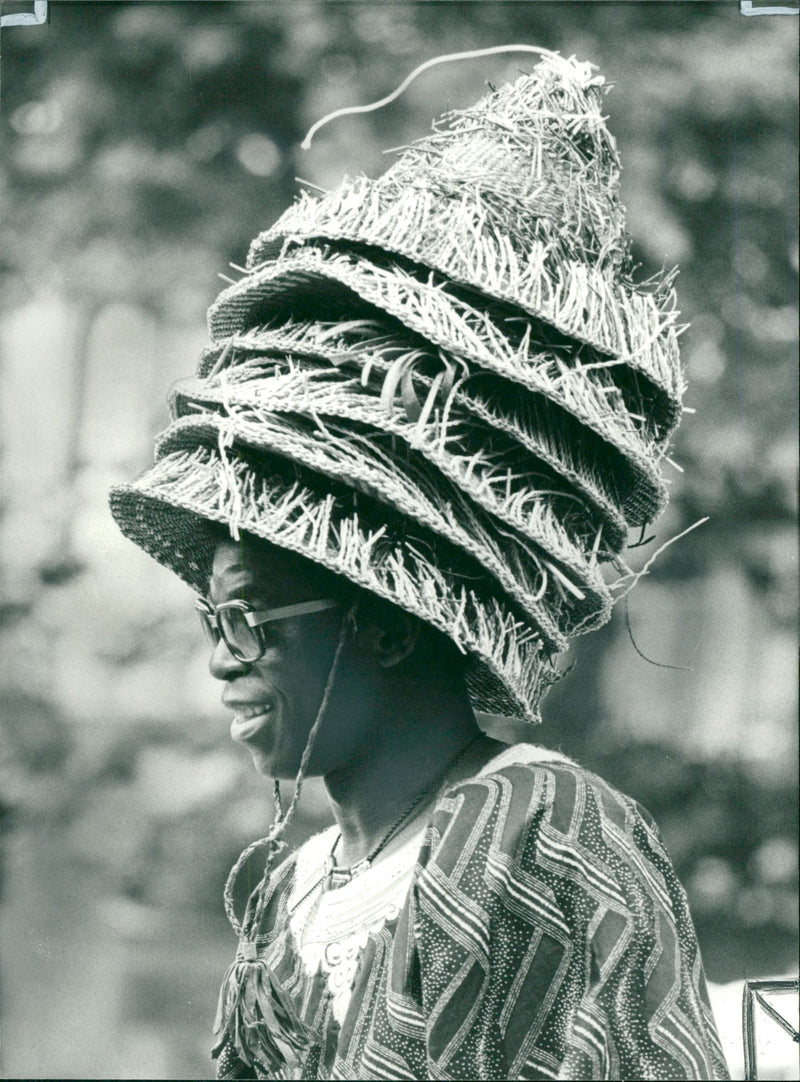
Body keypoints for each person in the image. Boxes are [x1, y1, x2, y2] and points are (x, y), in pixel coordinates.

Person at [110, 49, 730, 1080]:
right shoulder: (298, 885)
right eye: (212, 622)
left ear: (390, 617)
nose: (221, 658)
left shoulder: (544, 833)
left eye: (249, 616)